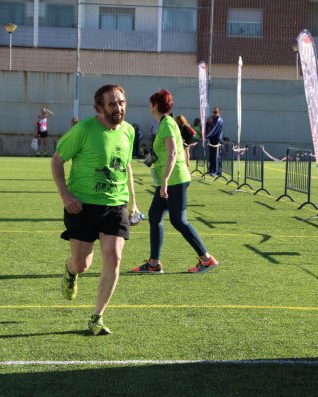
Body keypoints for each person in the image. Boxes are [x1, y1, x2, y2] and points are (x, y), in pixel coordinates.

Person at [51, 84, 139, 336]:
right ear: (100, 108)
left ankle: (97, 317)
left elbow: (126, 166)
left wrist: (133, 200)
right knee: (82, 264)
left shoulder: (129, 132)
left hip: (115, 204)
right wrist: (65, 195)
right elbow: (57, 159)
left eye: (121, 102)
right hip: (83, 205)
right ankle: (70, 272)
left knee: (113, 257)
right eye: (112, 104)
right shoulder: (84, 130)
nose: (118, 108)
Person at [132, 89, 219, 275]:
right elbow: (164, 152)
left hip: (174, 179)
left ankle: (207, 259)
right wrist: (150, 161)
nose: (149, 106)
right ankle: (154, 264)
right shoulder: (165, 123)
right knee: (155, 216)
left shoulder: (167, 124)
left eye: (150, 103)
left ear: (155, 105)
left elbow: (172, 153)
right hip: (170, 179)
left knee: (178, 221)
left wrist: (164, 182)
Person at [206, 107, 224, 176]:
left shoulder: (219, 120)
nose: (214, 113)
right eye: (213, 112)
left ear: (219, 113)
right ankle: (211, 170)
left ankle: (217, 171)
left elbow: (213, 129)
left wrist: (206, 136)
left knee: (216, 156)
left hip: (217, 140)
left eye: (215, 112)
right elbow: (208, 128)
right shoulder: (213, 119)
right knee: (212, 156)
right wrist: (207, 123)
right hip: (211, 139)